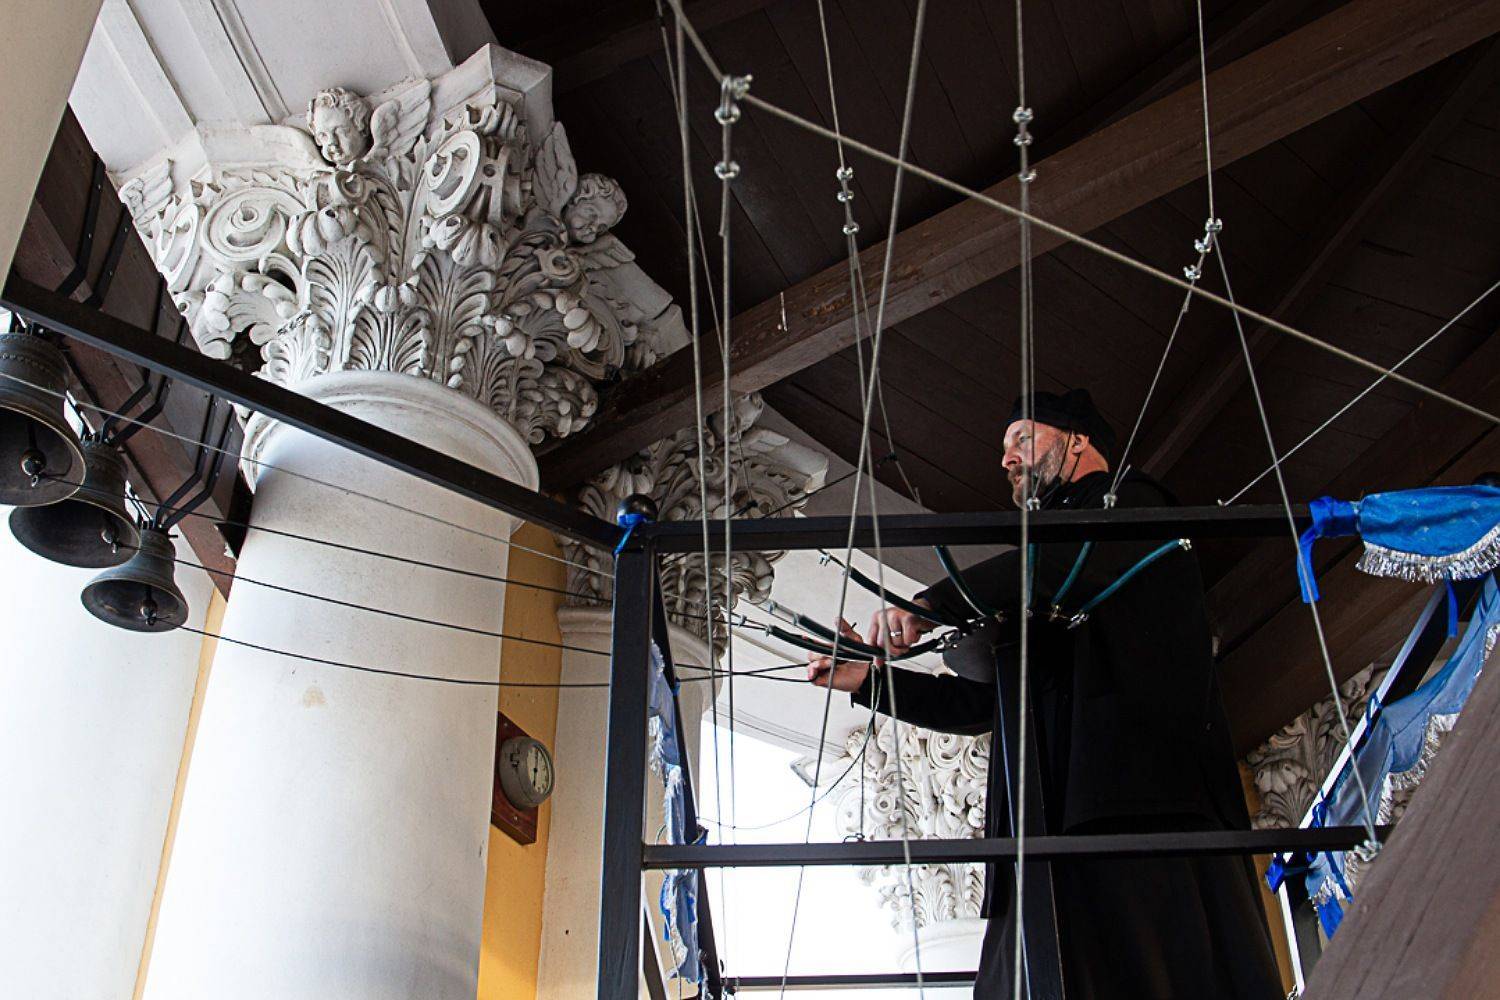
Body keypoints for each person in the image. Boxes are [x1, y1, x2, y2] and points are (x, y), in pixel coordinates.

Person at [807, 389, 1282, 999]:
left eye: (1022, 439)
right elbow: (987, 706)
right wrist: (871, 682)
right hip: (1044, 829)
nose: (1006, 459)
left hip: (1135, 812)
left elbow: (1061, 564)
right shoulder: (1045, 570)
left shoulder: (1133, 505)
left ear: (1077, 441)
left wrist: (930, 605)